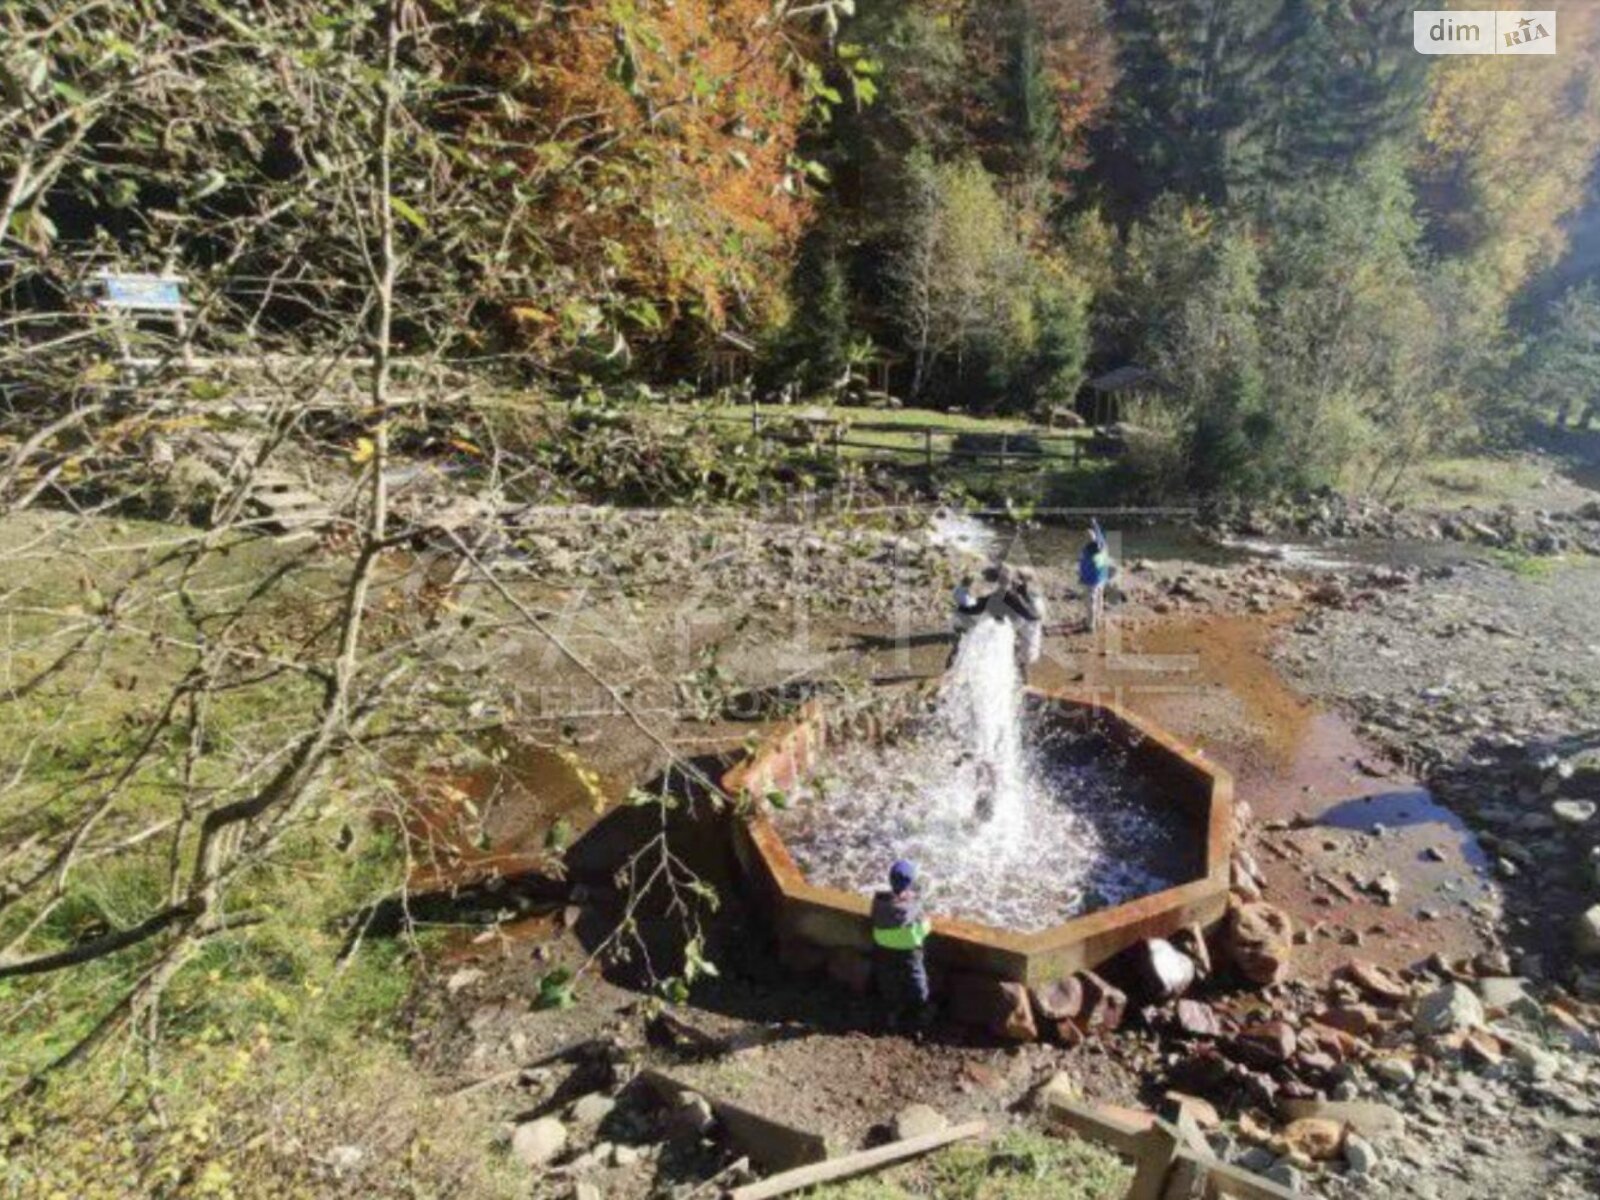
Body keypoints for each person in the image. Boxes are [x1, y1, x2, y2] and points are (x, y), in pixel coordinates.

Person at [870, 859, 931, 1029]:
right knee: (916, 976)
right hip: (909, 950)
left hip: (883, 946)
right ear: (910, 884)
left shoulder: (878, 902)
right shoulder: (913, 907)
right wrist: (926, 922)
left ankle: (893, 1009)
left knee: (888, 976)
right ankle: (920, 1009)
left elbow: (878, 916)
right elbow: (924, 928)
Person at [1078, 522, 1113, 633]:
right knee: (1099, 599)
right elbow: (1100, 535)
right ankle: (1098, 619)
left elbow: (1085, 567)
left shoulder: (1088, 552)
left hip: (1091, 581)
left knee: (1090, 603)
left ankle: (1090, 626)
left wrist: (1082, 578)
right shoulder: (1103, 545)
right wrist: (1095, 524)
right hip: (1102, 578)